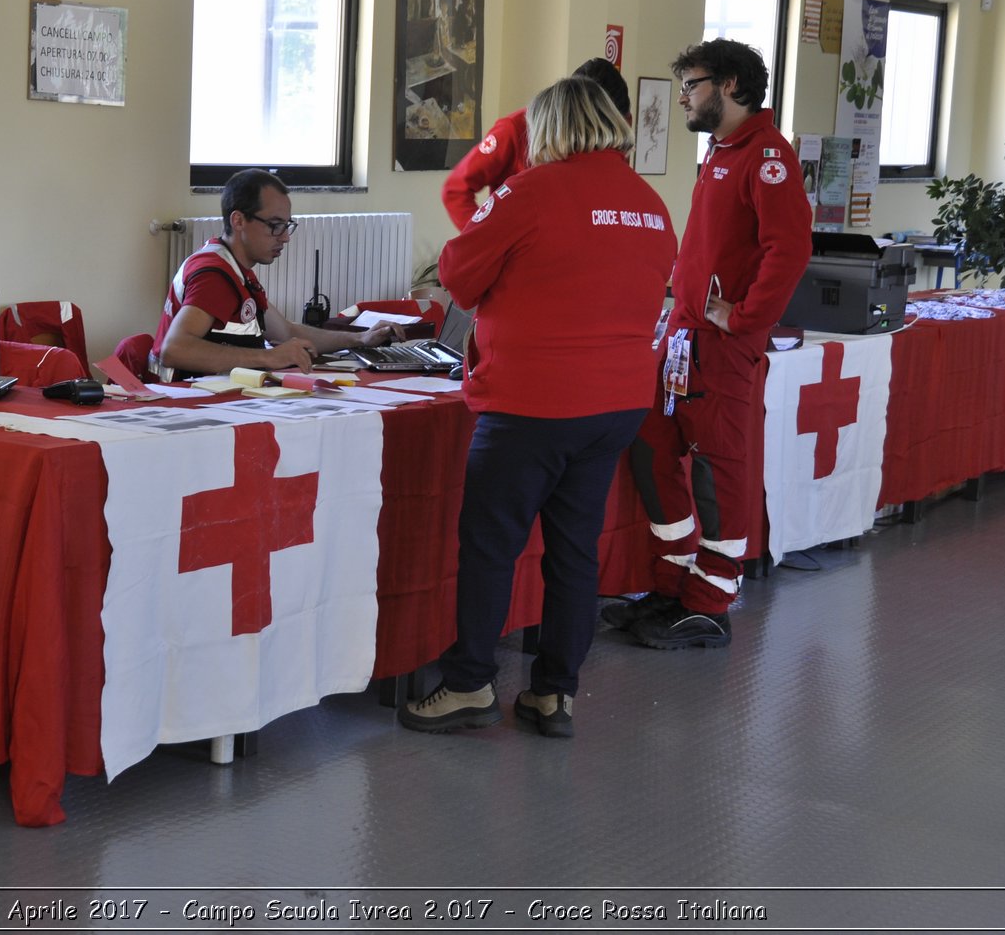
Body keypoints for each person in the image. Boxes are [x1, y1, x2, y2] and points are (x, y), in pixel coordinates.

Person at [398, 77, 677, 737]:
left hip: (532, 403)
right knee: (574, 548)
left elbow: (459, 275)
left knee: (491, 545)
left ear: (549, 129)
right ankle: (555, 692)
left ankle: (469, 684)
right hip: (615, 405)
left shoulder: (530, 193)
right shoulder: (650, 204)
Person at [608, 38, 812, 650]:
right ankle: (671, 584)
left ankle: (710, 601)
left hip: (721, 347)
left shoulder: (767, 157)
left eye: (691, 85)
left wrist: (745, 317)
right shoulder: (723, 152)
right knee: (649, 441)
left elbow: (790, 249)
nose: (683, 98)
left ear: (728, 85)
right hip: (682, 338)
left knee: (720, 472)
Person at [152, 169, 400, 378]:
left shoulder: (234, 268)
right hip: (188, 402)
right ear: (238, 221)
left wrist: (360, 339)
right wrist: (268, 357)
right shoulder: (215, 276)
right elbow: (174, 349)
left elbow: (286, 332)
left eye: (287, 225)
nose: (285, 237)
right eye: (275, 225)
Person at [440, 57, 632, 231]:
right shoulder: (515, 129)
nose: (590, 144)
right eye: (587, 129)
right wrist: (486, 239)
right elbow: (456, 190)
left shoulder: (616, 146)